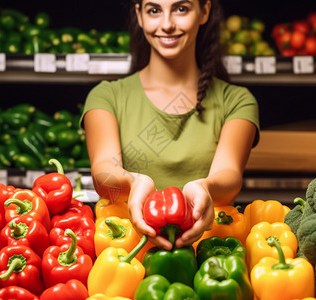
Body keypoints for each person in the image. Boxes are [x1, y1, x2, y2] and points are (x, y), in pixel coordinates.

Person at [80, 0, 259, 250]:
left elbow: (229, 178)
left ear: (204, 11)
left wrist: (205, 187)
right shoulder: (106, 96)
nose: (166, 25)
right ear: (139, 15)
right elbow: (103, 176)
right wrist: (134, 183)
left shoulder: (237, 100)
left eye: (181, 9)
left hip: (208, 254)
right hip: (128, 254)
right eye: (154, 10)